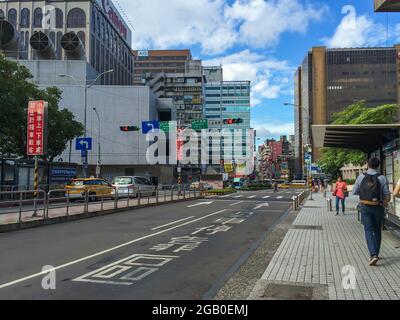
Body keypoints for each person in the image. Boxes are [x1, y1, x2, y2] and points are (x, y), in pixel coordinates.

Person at [353, 158, 391, 267]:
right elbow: (386, 194)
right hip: (378, 206)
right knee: (377, 230)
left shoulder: (361, 177)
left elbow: (355, 191)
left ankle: (373, 254)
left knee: (368, 230)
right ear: (378, 166)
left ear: (368, 165)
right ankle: (376, 254)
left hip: (365, 206)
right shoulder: (382, 178)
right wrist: (385, 201)